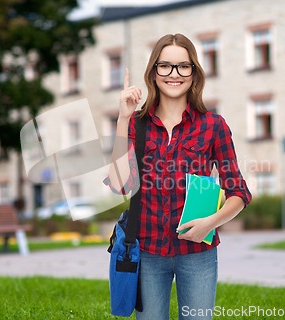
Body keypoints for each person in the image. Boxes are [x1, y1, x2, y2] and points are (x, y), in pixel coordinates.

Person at [106, 33, 252, 320]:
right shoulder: (137, 124)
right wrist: (123, 119)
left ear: (194, 73)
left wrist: (211, 223)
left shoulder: (213, 125)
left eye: (183, 66)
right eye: (165, 66)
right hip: (147, 251)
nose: (174, 74)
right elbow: (119, 184)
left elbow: (239, 193)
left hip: (198, 253)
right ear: (154, 72)